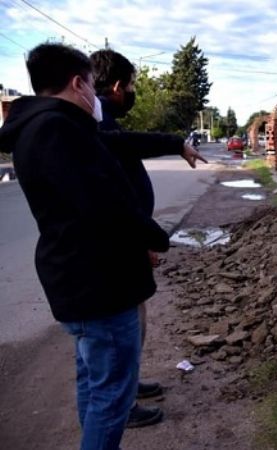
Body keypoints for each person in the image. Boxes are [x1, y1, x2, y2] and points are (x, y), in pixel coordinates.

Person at [0, 43, 179, 450]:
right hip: (98, 283)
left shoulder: (51, 126)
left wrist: (170, 142)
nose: (96, 95)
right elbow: (103, 206)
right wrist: (154, 236)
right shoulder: (57, 130)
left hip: (84, 279)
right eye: (93, 84)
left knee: (95, 384)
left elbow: (115, 152)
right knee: (112, 398)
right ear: (79, 83)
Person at [90, 48, 206, 429]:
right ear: (119, 85)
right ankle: (120, 404)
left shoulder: (99, 118)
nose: (132, 93)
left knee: (131, 325)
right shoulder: (97, 119)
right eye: (133, 86)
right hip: (117, 246)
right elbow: (112, 188)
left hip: (126, 241)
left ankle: (128, 386)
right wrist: (143, 240)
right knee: (119, 331)